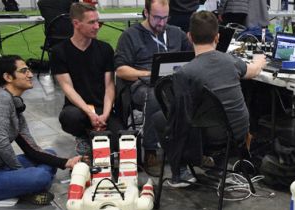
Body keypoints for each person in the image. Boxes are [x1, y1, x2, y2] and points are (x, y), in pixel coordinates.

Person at [158, 11, 265, 186]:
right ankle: (218, 169)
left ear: (189, 37)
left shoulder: (186, 73)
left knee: (160, 118)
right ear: (217, 37)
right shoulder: (231, 61)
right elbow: (253, 71)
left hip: (209, 140)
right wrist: (260, 61)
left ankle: (182, 173)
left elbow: (179, 117)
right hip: (238, 134)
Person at [114, 0, 191, 175]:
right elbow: (120, 69)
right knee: (157, 95)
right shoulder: (130, 35)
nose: (162, 23)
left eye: (165, 18)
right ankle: (150, 148)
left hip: (173, 82)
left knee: (194, 93)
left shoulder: (176, 33)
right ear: (146, 13)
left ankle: (191, 150)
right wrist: (149, 74)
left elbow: (190, 57)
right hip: (140, 84)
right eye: (157, 18)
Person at [0, 55, 81, 204]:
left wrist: (66, 162)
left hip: (0, 166)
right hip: (0, 168)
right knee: (39, 177)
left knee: (49, 154)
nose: (30, 74)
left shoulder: (15, 105)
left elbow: (31, 148)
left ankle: (23, 189)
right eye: (24, 71)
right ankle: (27, 187)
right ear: (8, 77)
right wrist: (20, 172)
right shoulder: (0, 98)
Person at [50, 2, 123, 158]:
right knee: (70, 118)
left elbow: (110, 86)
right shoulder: (59, 52)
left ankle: (96, 133)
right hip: (77, 109)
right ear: (76, 24)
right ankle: (83, 136)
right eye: (91, 22)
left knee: (120, 141)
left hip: (102, 108)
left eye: (98, 21)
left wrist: (105, 113)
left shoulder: (105, 49)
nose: (97, 26)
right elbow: (68, 88)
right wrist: (90, 114)